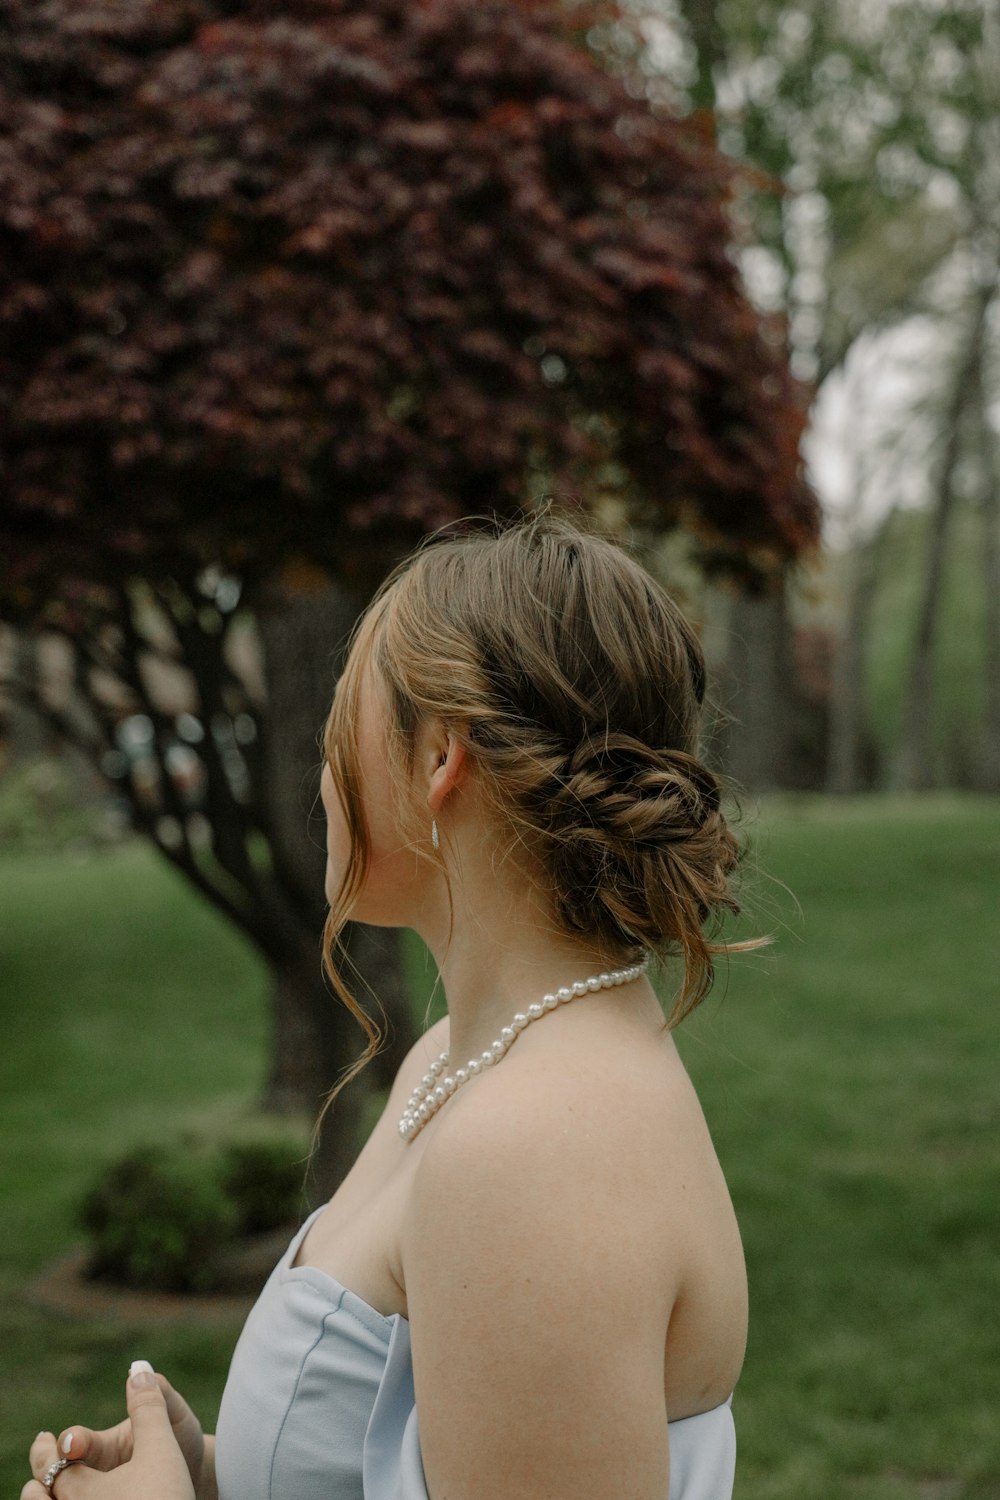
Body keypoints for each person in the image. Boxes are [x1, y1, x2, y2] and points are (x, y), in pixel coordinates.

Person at [25, 512, 756, 1500]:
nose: (320, 772)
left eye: (340, 720)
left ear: (439, 757)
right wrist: (212, 1475)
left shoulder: (535, 1149)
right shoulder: (454, 1059)